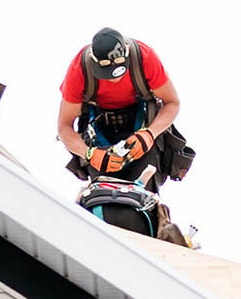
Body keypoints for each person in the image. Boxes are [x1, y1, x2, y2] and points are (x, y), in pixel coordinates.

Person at [56, 29, 189, 185]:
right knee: (100, 193)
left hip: (142, 124)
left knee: (145, 190)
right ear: (94, 61)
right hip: (99, 129)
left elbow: (172, 102)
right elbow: (64, 127)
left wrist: (149, 134)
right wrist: (89, 154)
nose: (115, 79)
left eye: (119, 72)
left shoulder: (144, 58)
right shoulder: (79, 69)